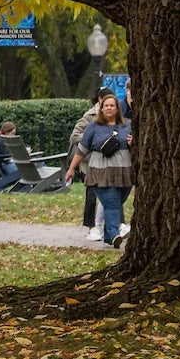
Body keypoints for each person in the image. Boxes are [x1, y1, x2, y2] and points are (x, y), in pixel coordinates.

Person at [75, 95, 135, 246]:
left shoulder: (128, 125)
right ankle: (115, 233)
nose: (109, 108)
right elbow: (81, 150)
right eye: (106, 105)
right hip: (100, 171)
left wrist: (133, 143)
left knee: (117, 202)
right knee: (112, 203)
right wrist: (71, 169)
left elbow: (139, 146)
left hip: (124, 172)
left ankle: (108, 236)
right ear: (101, 108)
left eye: (112, 105)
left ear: (117, 108)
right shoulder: (93, 127)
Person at [70, 93, 107, 236]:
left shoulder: (114, 117)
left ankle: (112, 225)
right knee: (92, 194)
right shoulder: (89, 116)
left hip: (107, 161)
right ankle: (91, 225)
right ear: (100, 99)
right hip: (90, 161)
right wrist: (91, 136)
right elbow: (74, 136)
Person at [0, 120, 25, 194]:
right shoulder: (1, 141)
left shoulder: (5, 141)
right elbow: (2, 157)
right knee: (32, 167)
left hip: (11, 163)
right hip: (7, 165)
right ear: (7, 132)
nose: (13, 136)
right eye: (12, 133)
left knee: (38, 164)